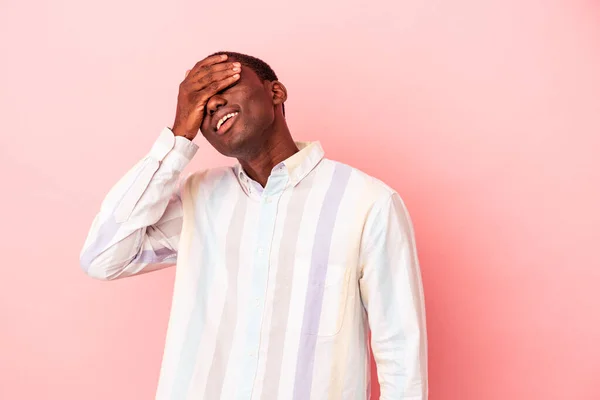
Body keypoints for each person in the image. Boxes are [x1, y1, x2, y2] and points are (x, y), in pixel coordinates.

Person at [80, 51, 428, 399]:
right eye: (198, 103)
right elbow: (103, 257)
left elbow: (401, 355)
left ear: (275, 92)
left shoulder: (368, 203)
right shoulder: (197, 199)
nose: (212, 103)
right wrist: (177, 137)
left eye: (223, 84)